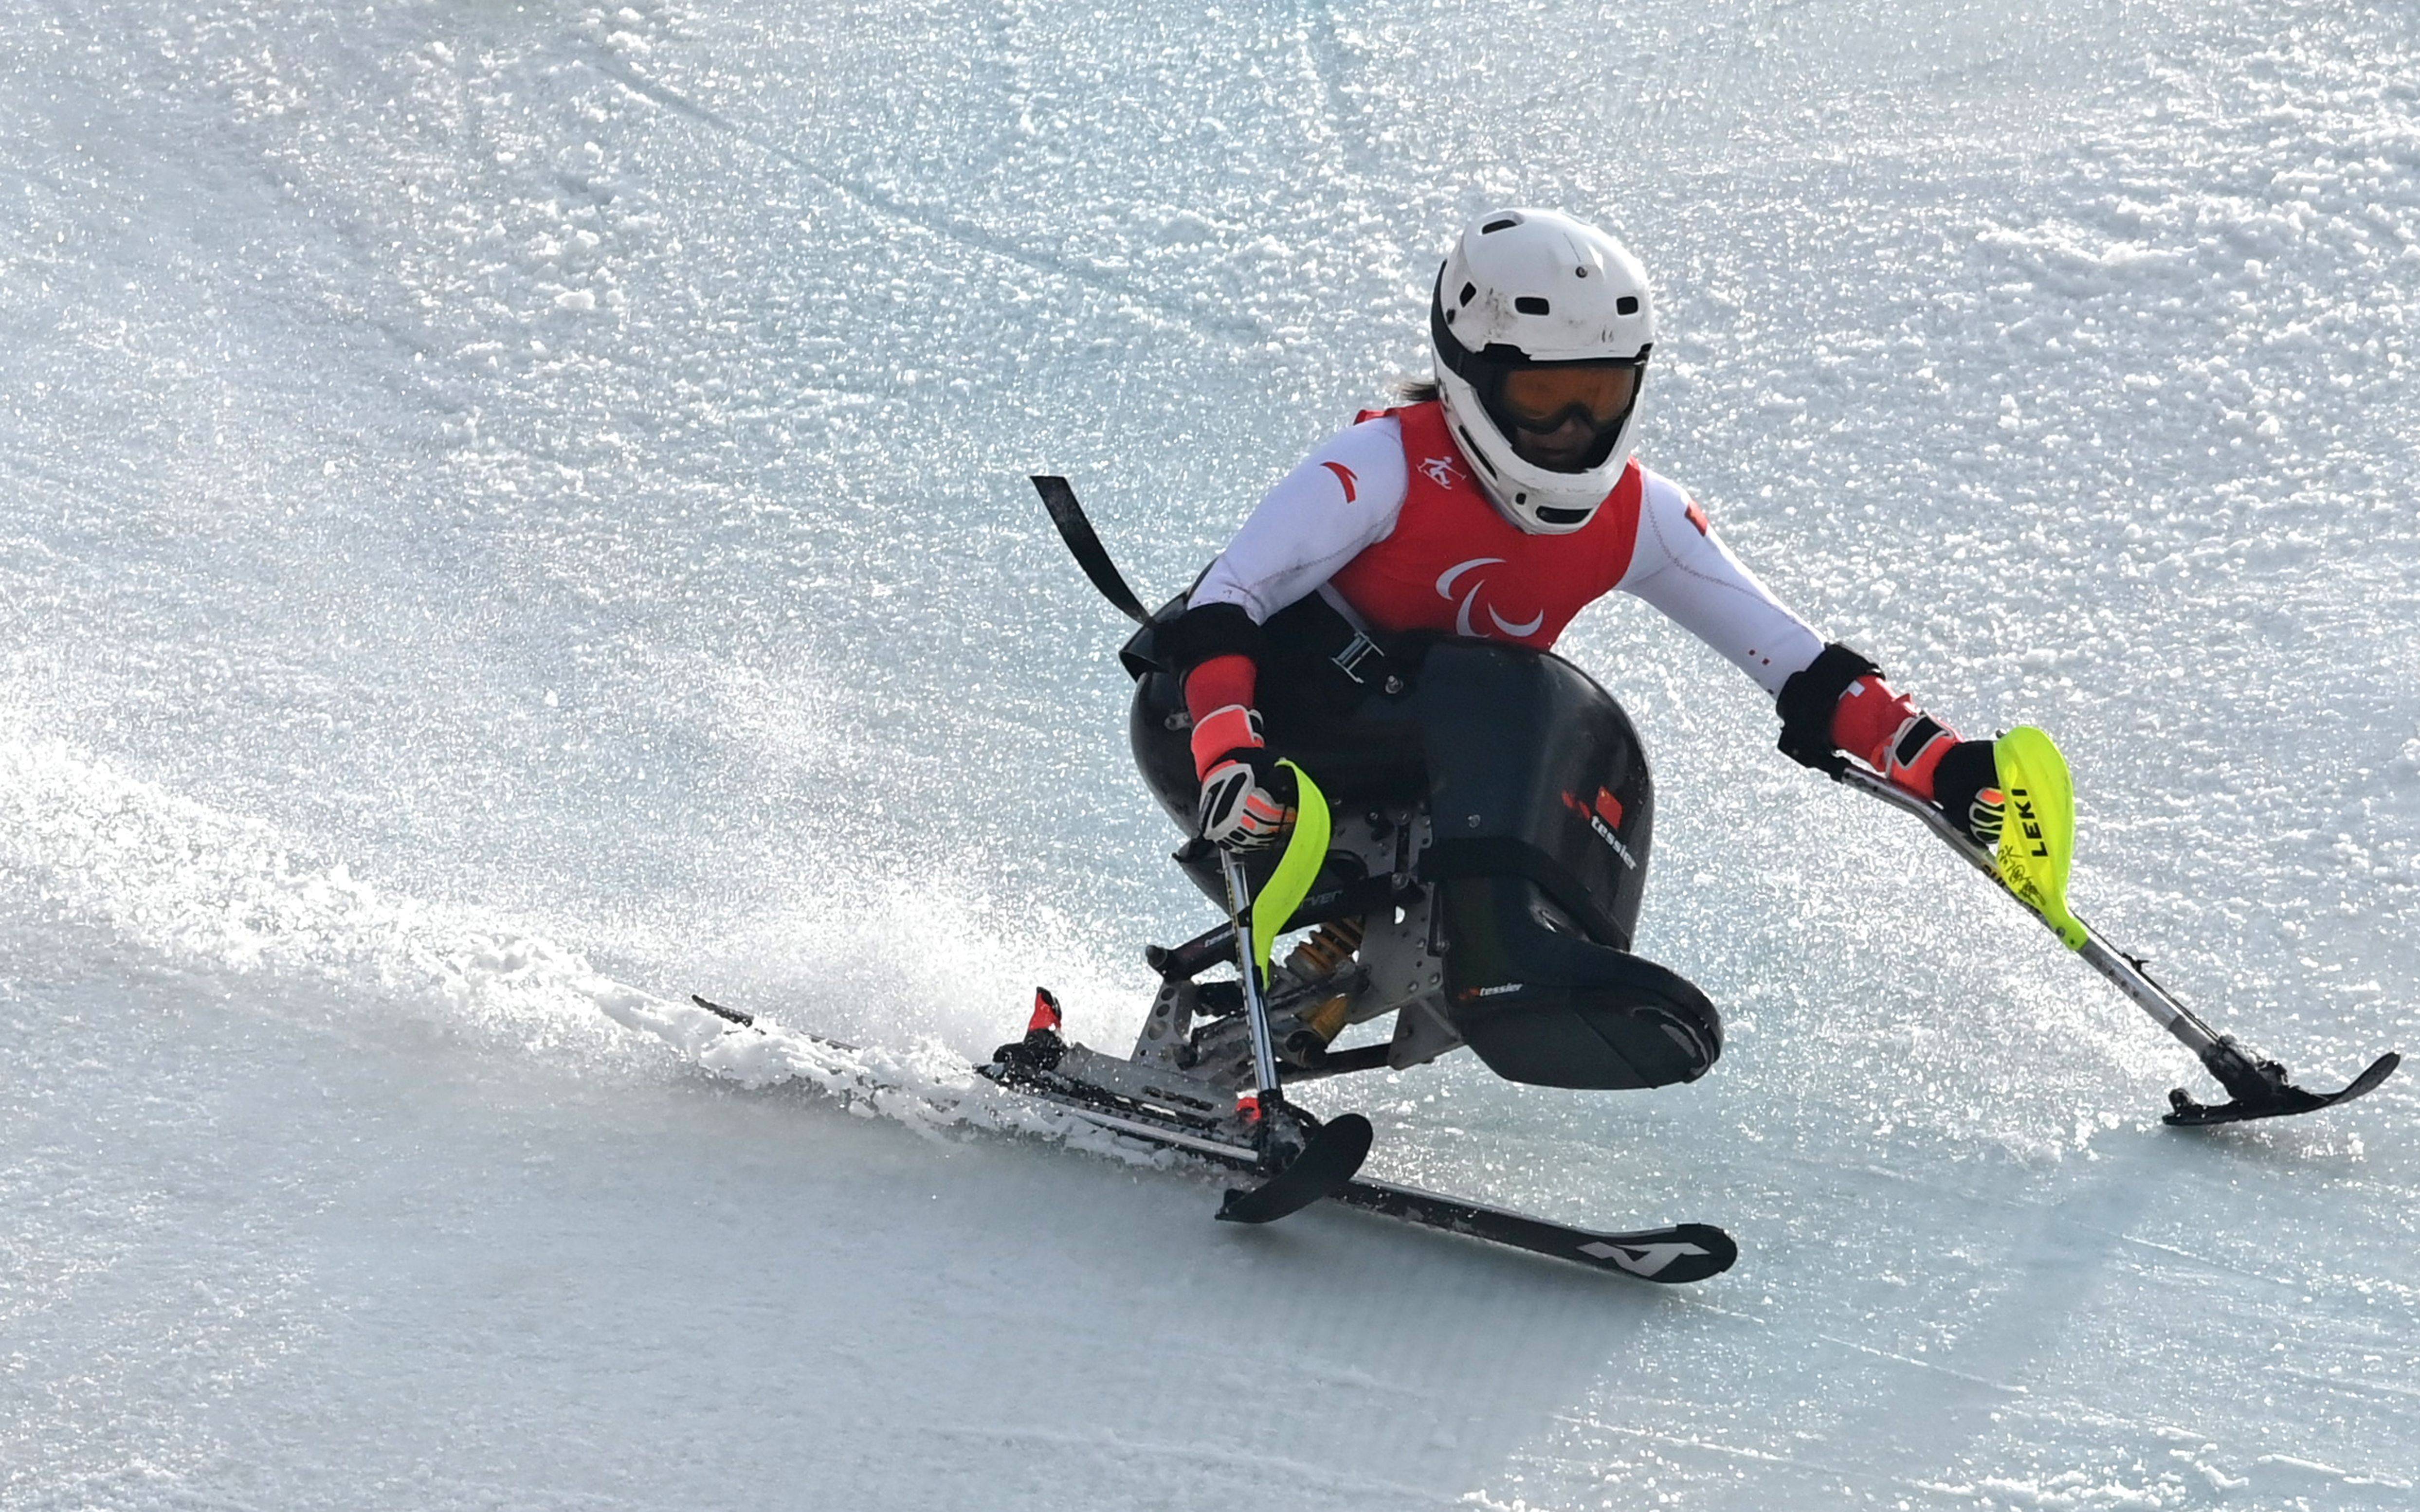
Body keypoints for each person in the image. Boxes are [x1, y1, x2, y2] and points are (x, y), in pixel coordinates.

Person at [1151, 207, 2005, 860]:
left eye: (1596, 398)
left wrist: (1934, 761)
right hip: (1240, 732)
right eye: (1540, 398)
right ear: (1472, 374)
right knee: (1510, 709)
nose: (1566, 430)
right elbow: (1229, 598)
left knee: (1566, 751)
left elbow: (1797, 662)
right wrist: (1227, 751)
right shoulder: (1384, 465)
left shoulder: (1640, 517)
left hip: (1433, 779)